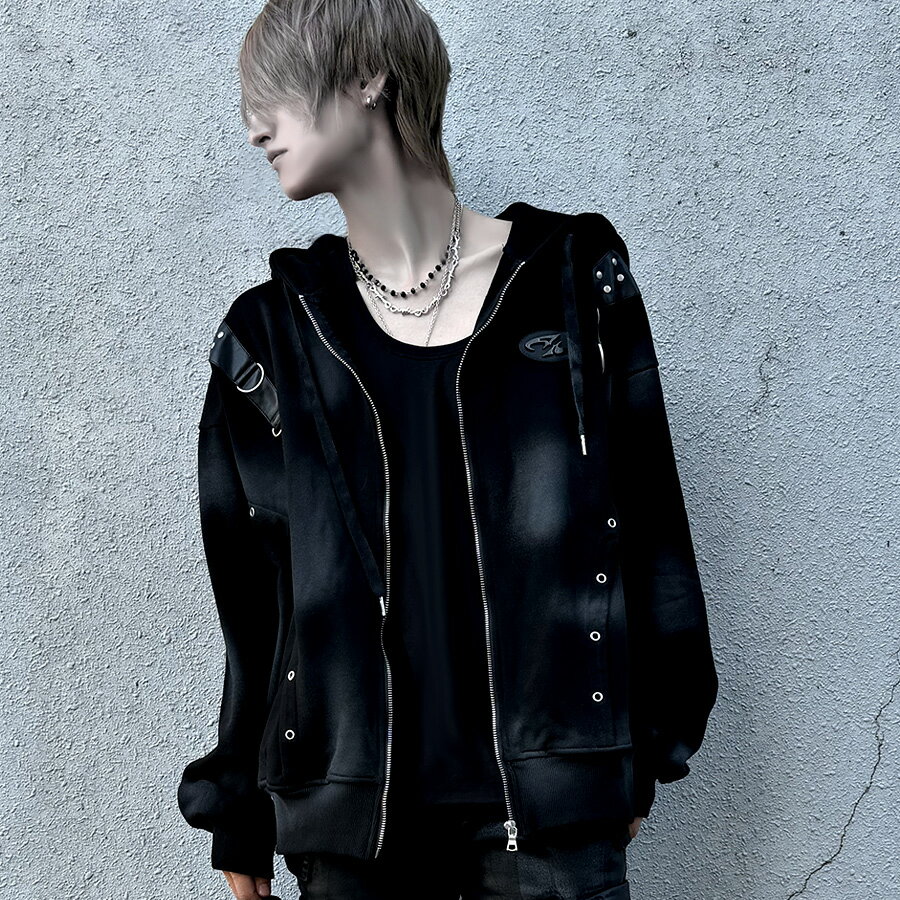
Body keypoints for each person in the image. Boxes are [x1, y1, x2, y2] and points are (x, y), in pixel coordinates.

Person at [176, 1, 719, 898]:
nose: (254, 128)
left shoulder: (571, 286)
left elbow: (649, 523)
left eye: (273, 93)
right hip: (355, 834)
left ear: (368, 78)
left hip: (552, 822)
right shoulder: (271, 340)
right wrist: (237, 802)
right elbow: (256, 599)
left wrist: (647, 745)